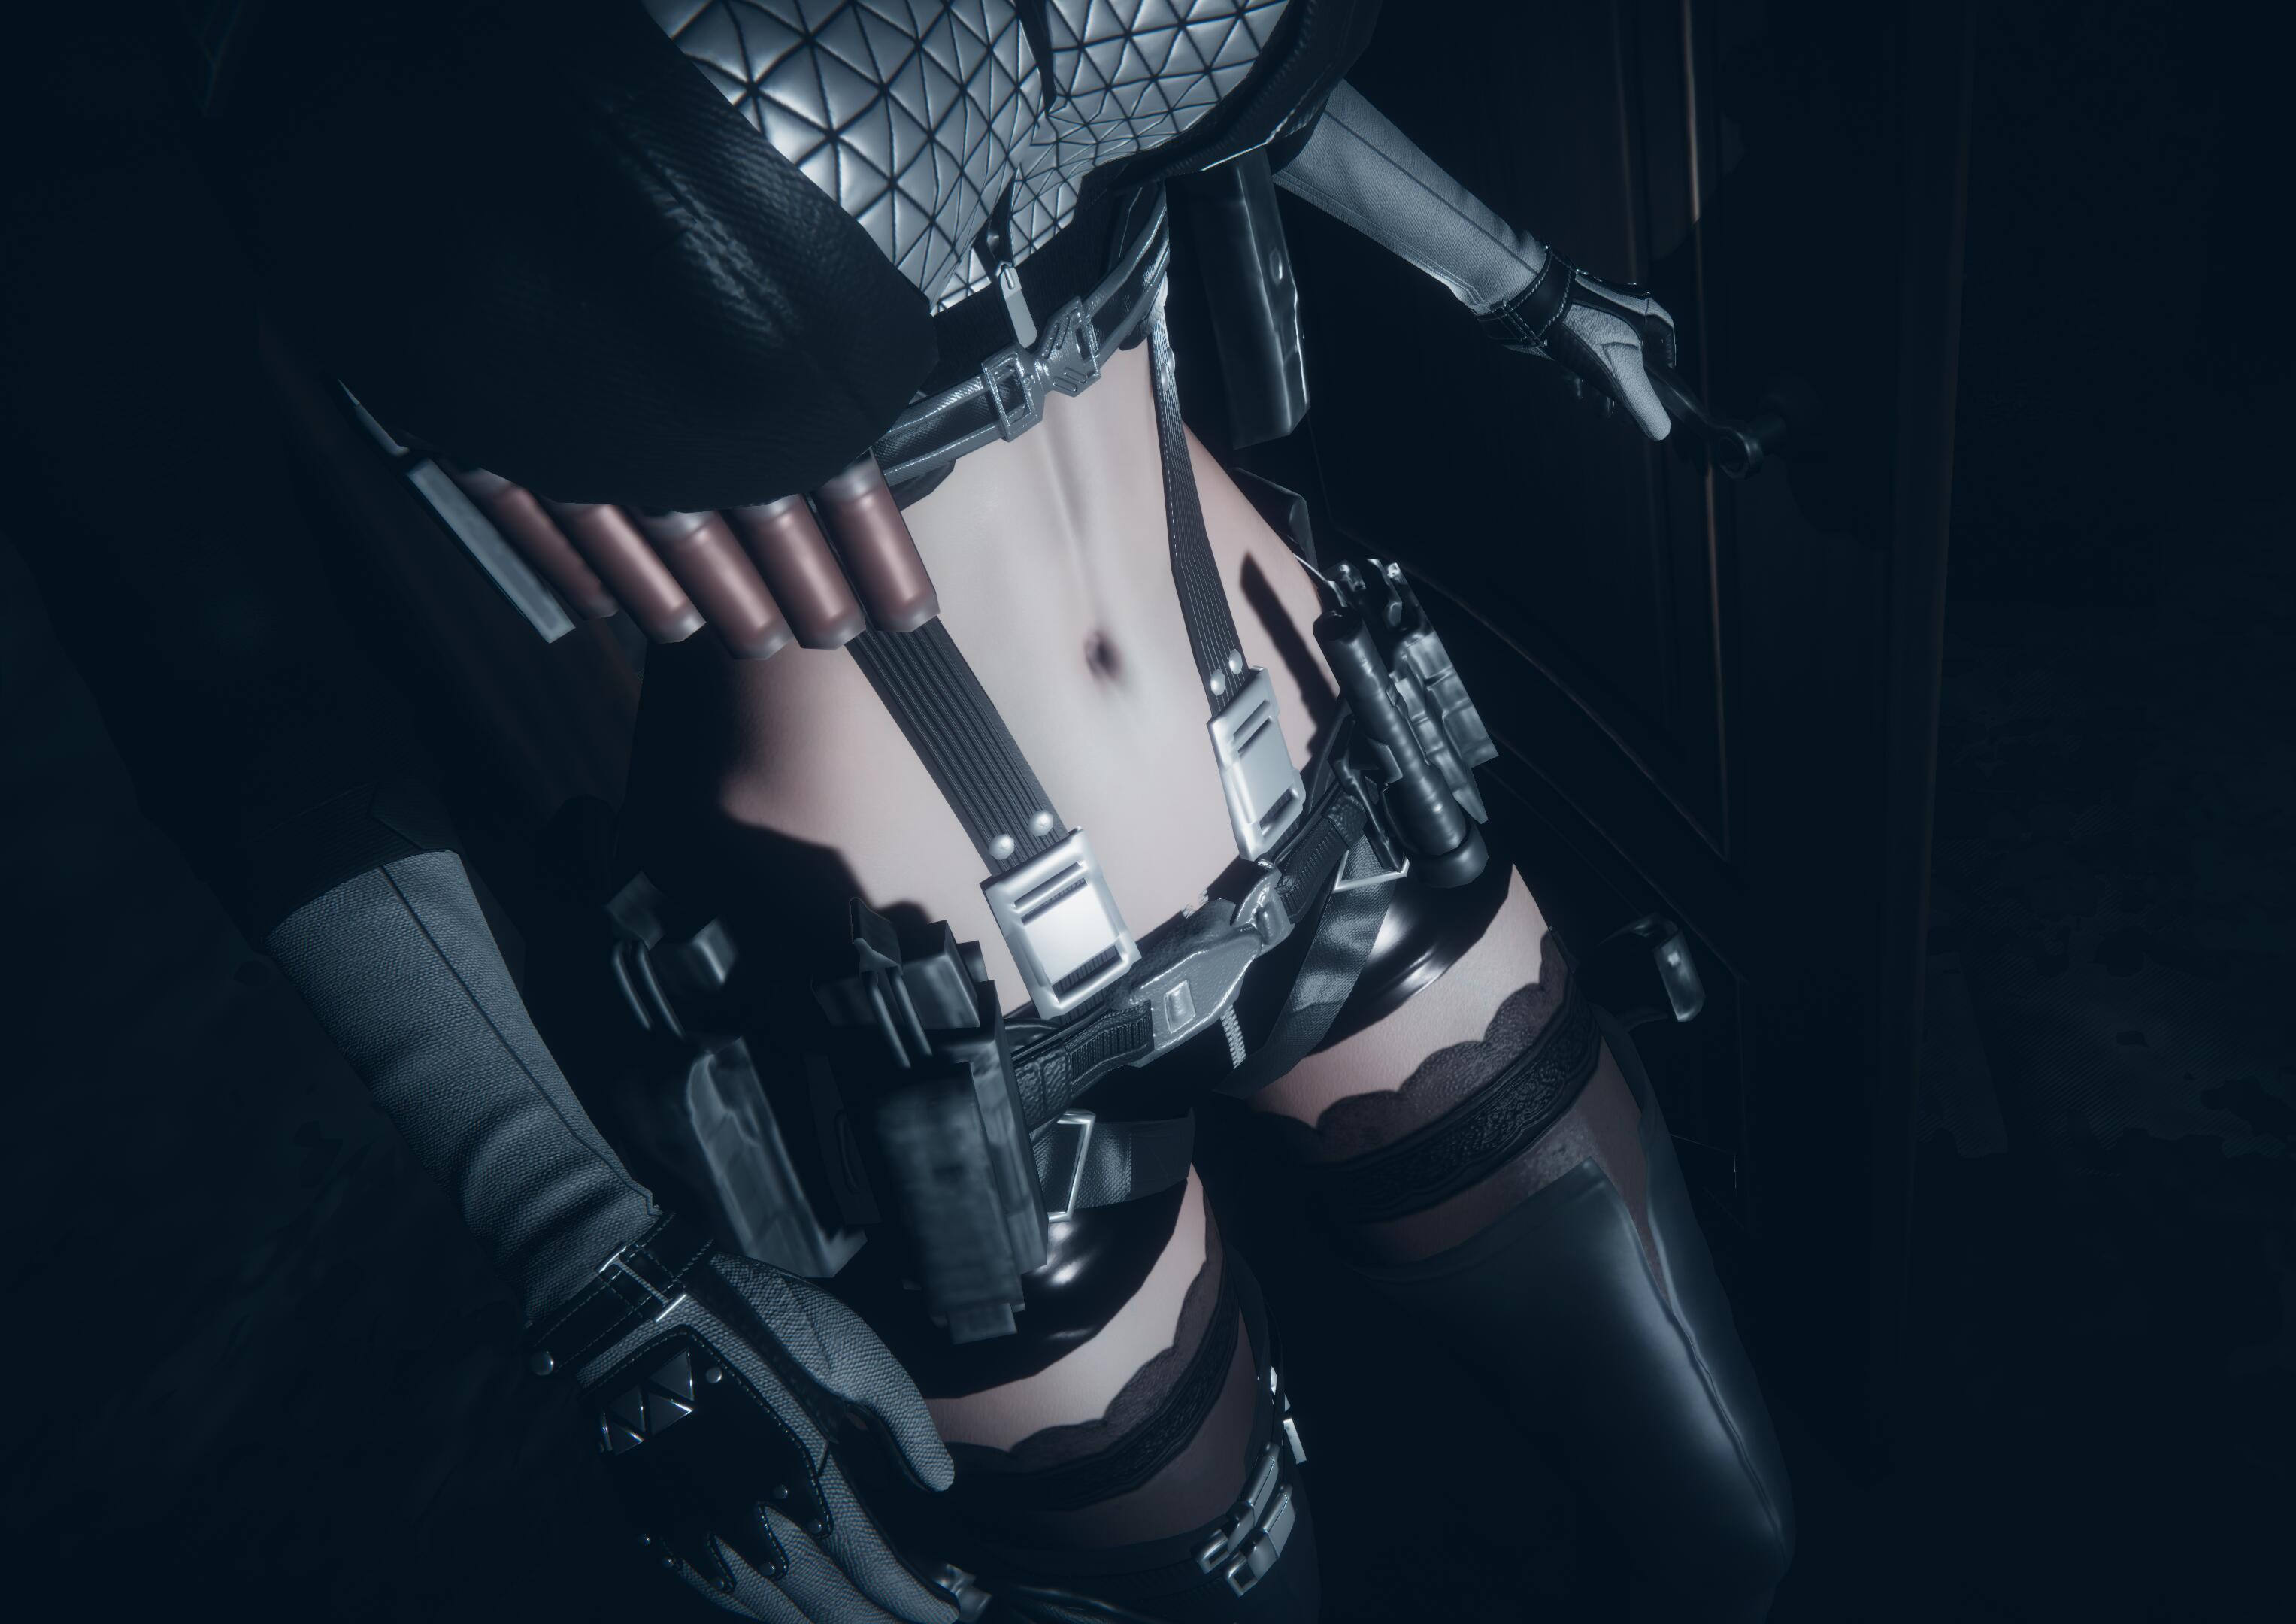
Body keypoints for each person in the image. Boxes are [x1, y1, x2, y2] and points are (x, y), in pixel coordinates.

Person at [29, 3, 1792, 1619]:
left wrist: (1518, 280)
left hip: (1335, 792)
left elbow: (1159, 81)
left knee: (1730, 1533)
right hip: (927, 1053)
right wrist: (579, 1243)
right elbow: (218, 644)